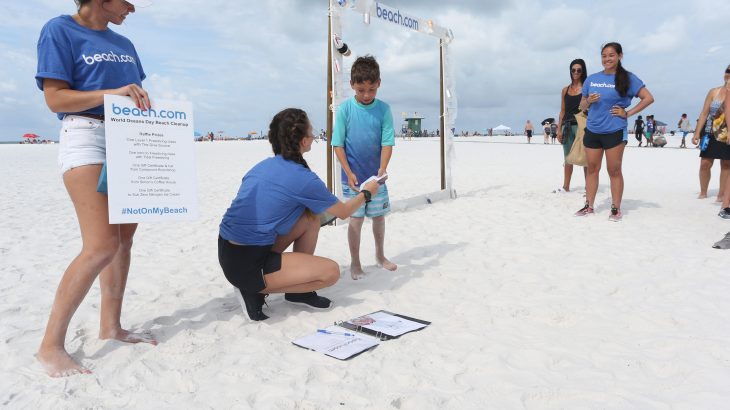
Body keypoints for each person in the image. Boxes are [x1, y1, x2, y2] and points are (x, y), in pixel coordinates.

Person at [34, 0, 154, 378]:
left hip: (129, 138)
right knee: (100, 245)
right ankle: (50, 346)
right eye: (128, 0)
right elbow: (55, 97)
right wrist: (110, 94)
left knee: (123, 241)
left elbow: (133, 97)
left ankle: (111, 326)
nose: (134, 7)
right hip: (86, 136)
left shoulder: (125, 44)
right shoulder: (59, 29)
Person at [219, 108, 382, 321]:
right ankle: (252, 290)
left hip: (228, 251)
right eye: (312, 133)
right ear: (303, 141)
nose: (314, 137)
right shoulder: (303, 178)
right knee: (330, 272)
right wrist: (367, 192)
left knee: (309, 219)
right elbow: (343, 212)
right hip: (248, 266)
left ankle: (298, 292)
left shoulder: (261, 166)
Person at [332, 55, 397, 280]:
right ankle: (355, 263)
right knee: (356, 220)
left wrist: (382, 169)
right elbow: (337, 144)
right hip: (352, 178)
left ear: (379, 83)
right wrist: (349, 172)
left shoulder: (384, 110)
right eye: (361, 90)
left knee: (379, 217)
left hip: (376, 177)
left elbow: (387, 142)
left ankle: (380, 256)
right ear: (352, 85)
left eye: (371, 89)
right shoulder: (345, 109)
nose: (366, 95)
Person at [575, 42, 654, 221]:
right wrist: (589, 101)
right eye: (604, 55)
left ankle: (615, 208)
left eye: (611, 55)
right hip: (593, 129)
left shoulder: (628, 78)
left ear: (619, 56)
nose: (607, 59)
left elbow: (648, 98)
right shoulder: (592, 79)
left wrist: (627, 113)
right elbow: (581, 105)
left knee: (614, 170)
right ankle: (589, 205)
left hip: (615, 130)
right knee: (592, 169)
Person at [691, 64, 730, 201]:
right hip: (709, 131)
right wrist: (696, 133)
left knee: (726, 164)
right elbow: (704, 113)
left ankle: (721, 194)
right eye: (727, 71)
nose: (728, 74)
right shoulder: (714, 91)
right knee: (705, 163)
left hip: (727, 133)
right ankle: (703, 191)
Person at [555, 58, 588, 193]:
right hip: (567, 126)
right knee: (567, 157)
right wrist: (559, 129)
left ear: (583, 71)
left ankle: (588, 187)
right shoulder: (565, 90)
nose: (576, 72)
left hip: (582, 125)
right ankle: (565, 187)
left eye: (579, 70)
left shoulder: (587, 88)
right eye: (573, 70)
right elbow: (562, 111)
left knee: (585, 157)